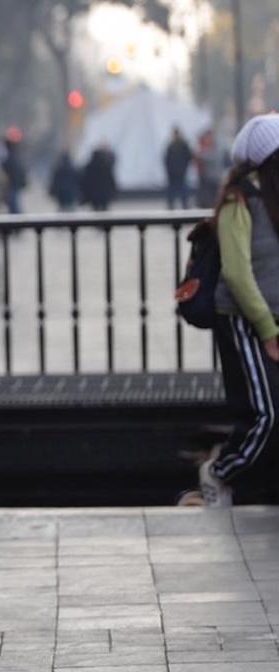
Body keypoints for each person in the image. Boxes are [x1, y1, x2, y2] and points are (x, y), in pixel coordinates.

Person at [182, 115, 279, 508]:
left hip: (271, 319)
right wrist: (268, 331)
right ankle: (219, 473)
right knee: (266, 415)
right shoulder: (240, 200)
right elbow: (238, 274)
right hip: (243, 320)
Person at [165, 127, 195, 210]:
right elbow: (167, 160)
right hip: (174, 173)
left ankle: (183, 205)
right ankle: (172, 205)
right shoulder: (172, 145)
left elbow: (189, 157)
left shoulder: (182, 145)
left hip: (180, 172)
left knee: (182, 190)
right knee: (174, 190)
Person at [81, 144, 118, 212]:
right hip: (104, 195)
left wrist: (85, 194)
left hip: (93, 195)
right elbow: (111, 181)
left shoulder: (89, 167)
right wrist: (113, 192)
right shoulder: (105, 166)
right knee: (104, 212)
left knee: (95, 212)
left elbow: (85, 182)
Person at [197, 129, 226, 209]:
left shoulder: (216, 147)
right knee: (207, 200)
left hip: (214, 178)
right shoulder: (207, 147)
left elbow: (212, 158)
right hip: (207, 177)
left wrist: (201, 155)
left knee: (213, 200)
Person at [2, 131, 28, 215]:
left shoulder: (11, 156)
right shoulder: (16, 155)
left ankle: (18, 223)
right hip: (14, 184)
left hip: (12, 184)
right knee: (14, 204)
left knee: (14, 205)